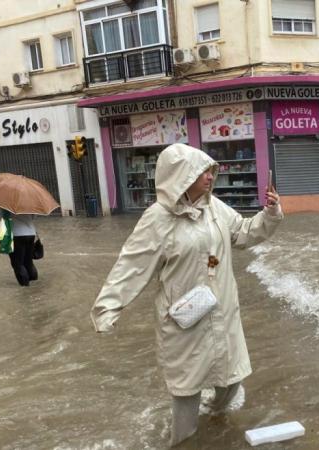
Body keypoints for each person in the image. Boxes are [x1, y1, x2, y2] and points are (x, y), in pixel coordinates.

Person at [90, 143, 283, 447]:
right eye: (202, 171)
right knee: (186, 390)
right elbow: (131, 264)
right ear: (182, 176)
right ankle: (183, 442)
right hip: (185, 320)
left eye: (210, 171)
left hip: (222, 311)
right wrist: (108, 307)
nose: (210, 176)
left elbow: (244, 232)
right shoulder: (158, 219)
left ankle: (214, 419)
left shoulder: (214, 208)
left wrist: (270, 214)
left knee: (231, 379)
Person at [0, 206, 37, 286]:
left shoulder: (3, 202)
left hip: (16, 234)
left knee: (17, 263)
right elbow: (34, 217)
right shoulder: (28, 200)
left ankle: (25, 287)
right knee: (28, 261)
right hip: (31, 233)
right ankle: (35, 285)